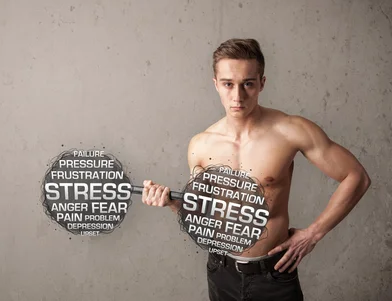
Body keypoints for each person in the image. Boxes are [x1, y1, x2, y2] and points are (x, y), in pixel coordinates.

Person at [141, 38, 371, 301]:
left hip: (272, 274)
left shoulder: (290, 130)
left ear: (262, 83)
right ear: (216, 84)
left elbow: (357, 177)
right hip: (220, 271)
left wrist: (313, 234)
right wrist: (171, 202)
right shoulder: (200, 145)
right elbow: (201, 214)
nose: (237, 96)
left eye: (247, 84)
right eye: (228, 84)